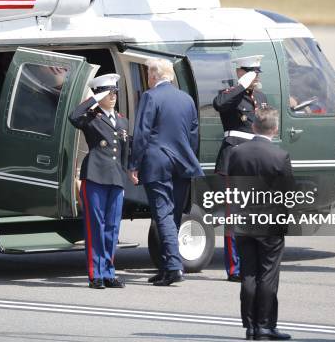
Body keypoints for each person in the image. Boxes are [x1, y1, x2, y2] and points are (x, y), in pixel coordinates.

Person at [128, 58, 203, 286]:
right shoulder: (186, 99)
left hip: (157, 162)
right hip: (182, 163)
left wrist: (134, 164)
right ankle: (165, 266)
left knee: (162, 215)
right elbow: (193, 135)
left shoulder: (151, 96)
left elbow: (141, 133)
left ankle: (172, 267)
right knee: (173, 216)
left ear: (153, 76)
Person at [227, 107, 292, 341]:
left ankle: (251, 326)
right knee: (268, 275)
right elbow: (288, 192)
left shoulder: (236, 153)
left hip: (243, 219)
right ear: (274, 129)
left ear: (254, 127)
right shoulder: (280, 156)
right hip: (270, 222)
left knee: (248, 274)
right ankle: (265, 326)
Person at [69, 73, 129, 289]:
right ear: (99, 94)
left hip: (115, 178)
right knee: (95, 226)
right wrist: (95, 99)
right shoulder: (91, 117)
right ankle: (96, 274)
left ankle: (109, 272)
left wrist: (128, 172)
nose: (113, 96)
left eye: (114, 92)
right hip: (94, 176)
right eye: (108, 92)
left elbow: (124, 151)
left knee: (112, 228)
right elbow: (73, 117)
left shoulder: (122, 120)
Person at [213, 55, 268, 282]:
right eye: (251, 72)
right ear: (241, 73)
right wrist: (242, 85)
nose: (256, 77)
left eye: (257, 73)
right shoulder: (230, 95)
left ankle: (252, 263)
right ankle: (235, 267)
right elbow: (219, 105)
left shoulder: (261, 97)